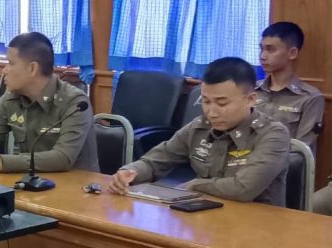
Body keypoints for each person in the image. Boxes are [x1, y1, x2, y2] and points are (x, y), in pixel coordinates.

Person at [106, 57, 290, 206]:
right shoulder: (200, 127)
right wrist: (130, 172)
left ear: (251, 99)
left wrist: (195, 185)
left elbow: (243, 188)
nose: (212, 112)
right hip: (206, 218)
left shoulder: (273, 135)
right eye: (206, 101)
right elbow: (156, 161)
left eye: (222, 103)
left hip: (258, 225)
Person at [0, 32, 98, 174]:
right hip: (32, 180)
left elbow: (63, 157)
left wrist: (0, 162)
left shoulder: (75, 102)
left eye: (10, 63)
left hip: (75, 184)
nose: (4, 70)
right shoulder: (12, 97)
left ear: (32, 68)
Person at [255, 22, 323, 153]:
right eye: (261, 49)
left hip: (283, 163)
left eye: (270, 50)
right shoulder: (252, 90)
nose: (262, 56)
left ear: (292, 53)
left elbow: (301, 150)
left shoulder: (310, 98)